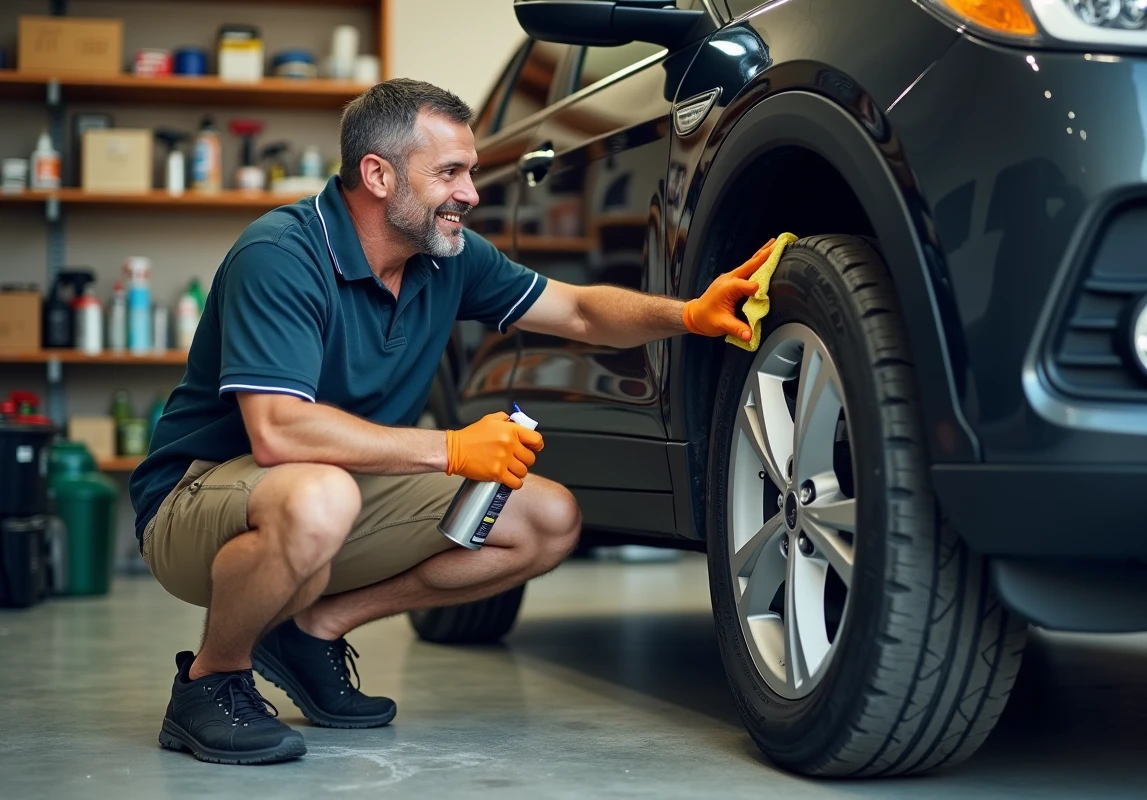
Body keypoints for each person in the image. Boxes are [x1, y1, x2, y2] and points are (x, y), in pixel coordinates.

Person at [129, 78, 776, 766]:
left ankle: (312, 630)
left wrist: (688, 314)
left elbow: (580, 311)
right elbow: (279, 431)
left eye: (469, 172)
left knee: (545, 518)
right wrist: (455, 448)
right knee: (321, 494)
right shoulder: (282, 256)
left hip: (334, 493)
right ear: (377, 175)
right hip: (199, 498)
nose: (471, 192)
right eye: (450, 172)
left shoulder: (446, 260)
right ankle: (210, 681)